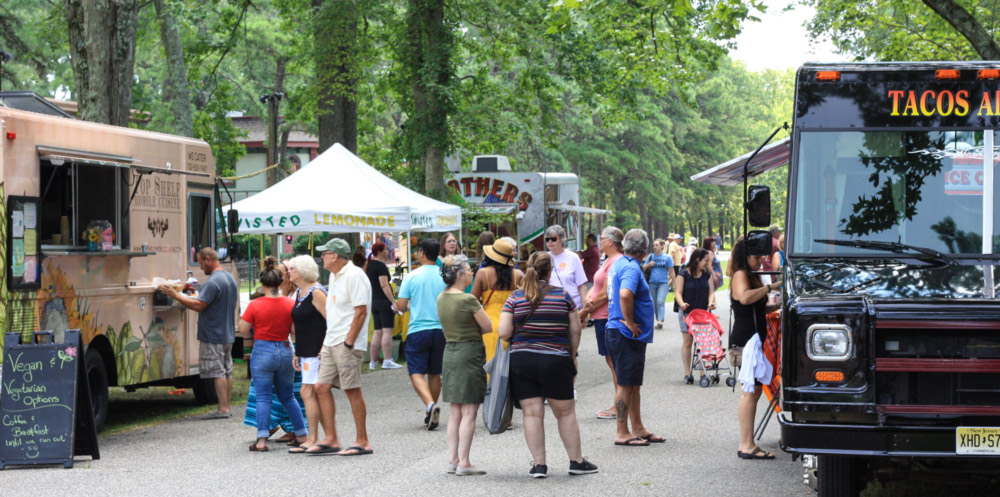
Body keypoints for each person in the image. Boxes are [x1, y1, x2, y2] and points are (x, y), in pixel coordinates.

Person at [499, 252, 597, 478]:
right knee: (565, 413)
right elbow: (575, 329)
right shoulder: (563, 296)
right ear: (550, 271)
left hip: (522, 361)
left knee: (532, 414)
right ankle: (576, 461)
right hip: (556, 360)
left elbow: (504, 332)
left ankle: (539, 465)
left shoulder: (515, 298)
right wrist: (571, 356)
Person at [309, 238, 373, 456]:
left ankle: (362, 441)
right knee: (321, 386)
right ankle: (331, 438)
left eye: (324, 253)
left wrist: (349, 340)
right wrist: (327, 341)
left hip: (346, 342)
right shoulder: (335, 275)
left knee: (352, 389)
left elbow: (361, 311)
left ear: (335, 256)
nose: (322, 257)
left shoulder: (354, 275)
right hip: (331, 340)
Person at [238, 257, 308, 452]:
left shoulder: (255, 305)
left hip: (262, 351)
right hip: (285, 350)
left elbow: (243, 329)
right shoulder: (289, 304)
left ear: (262, 282)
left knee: (263, 397)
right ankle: (302, 434)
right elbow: (294, 330)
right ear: (280, 282)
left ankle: (261, 441)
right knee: (288, 396)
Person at [159, 247, 237, 419]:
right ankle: (227, 406)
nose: (201, 267)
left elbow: (199, 305)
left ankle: (223, 409)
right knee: (226, 371)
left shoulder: (213, 281)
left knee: (217, 372)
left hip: (213, 334)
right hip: (227, 332)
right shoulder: (229, 279)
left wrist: (176, 295)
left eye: (201, 263)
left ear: (208, 259)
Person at [606, 229, 663, 446]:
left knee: (632, 383)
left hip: (624, 333)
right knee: (625, 383)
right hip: (625, 333)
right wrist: (629, 321)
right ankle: (622, 431)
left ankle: (637, 427)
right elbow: (624, 294)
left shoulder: (619, 263)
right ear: (644, 251)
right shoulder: (630, 267)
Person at [438, 255, 493, 476]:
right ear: (459, 274)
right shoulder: (468, 299)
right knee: (469, 411)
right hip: (469, 353)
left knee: (455, 411)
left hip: (450, 352)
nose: (472, 273)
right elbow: (487, 326)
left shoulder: (442, 298)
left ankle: (453, 459)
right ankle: (465, 461)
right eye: (469, 270)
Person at [730, 238, 781, 460]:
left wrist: (777, 304)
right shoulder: (741, 274)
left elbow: (758, 307)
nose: (761, 260)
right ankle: (746, 444)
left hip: (752, 342)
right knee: (749, 392)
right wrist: (769, 287)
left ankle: (748, 442)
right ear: (745, 257)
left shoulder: (750, 276)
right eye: (756, 256)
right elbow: (744, 297)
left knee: (755, 391)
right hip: (744, 344)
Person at [396, 238, 448, 430]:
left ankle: (430, 405)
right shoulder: (445, 274)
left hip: (418, 329)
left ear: (422, 253)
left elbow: (401, 306)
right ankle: (430, 412)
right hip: (441, 329)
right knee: (435, 373)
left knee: (416, 372)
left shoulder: (411, 276)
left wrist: (399, 306)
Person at [286, 254, 330, 454]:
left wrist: (324, 347)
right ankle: (315, 437)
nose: (288, 272)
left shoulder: (316, 292)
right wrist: (297, 350)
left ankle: (313, 438)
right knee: (308, 393)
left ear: (303, 271)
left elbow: (330, 320)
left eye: (292, 269)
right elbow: (300, 325)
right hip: (305, 350)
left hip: (316, 349)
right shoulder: (299, 292)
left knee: (307, 392)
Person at [581, 226, 624, 420]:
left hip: (607, 316)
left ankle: (619, 404)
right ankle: (619, 402)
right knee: (611, 361)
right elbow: (596, 286)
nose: (600, 241)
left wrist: (583, 311)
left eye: (603, 238)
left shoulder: (615, 261)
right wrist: (588, 298)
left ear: (611, 242)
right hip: (599, 316)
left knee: (615, 362)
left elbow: (607, 293)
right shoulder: (607, 260)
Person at [471, 239, 523, 364]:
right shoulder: (519, 275)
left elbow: (472, 301)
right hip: (514, 325)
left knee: (491, 366)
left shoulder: (483, 274)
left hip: (489, 326)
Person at [674, 248, 717, 384]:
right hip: (687, 312)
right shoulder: (683, 273)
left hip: (702, 312)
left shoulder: (706, 274)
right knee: (688, 342)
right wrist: (682, 303)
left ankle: (703, 371)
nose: (708, 263)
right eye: (706, 261)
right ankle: (688, 373)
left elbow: (711, 292)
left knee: (702, 341)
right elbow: (678, 292)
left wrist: (711, 302)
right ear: (697, 259)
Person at [365, 242, 403, 370]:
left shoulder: (369, 266)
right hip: (383, 301)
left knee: (377, 332)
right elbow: (384, 285)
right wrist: (393, 301)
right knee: (387, 331)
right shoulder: (380, 266)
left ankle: (373, 362)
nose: (388, 252)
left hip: (374, 302)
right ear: (380, 251)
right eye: (386, 250)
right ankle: (387, 359)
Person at [544, 225, 588, 311]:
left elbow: (582, 285)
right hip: (550, 307)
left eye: (553, 239)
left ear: (562, 240)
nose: (550, 242)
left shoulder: (573, 257)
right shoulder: (544, 258)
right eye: (547, 239)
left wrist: (585, 310)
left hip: (572, 307)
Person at [641, 238, 676, 330]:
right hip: (652, 283)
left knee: (660, 301)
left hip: (663, 283)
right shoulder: (651, 257)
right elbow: (642, 268)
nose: (655, 247)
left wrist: (676, 284)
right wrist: (649, 265)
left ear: (662, 246)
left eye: (657, 245)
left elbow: (671, 272)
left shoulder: (667, 257)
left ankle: (660, 321)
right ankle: (657, 320)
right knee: (654, 302)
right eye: (654, 245)